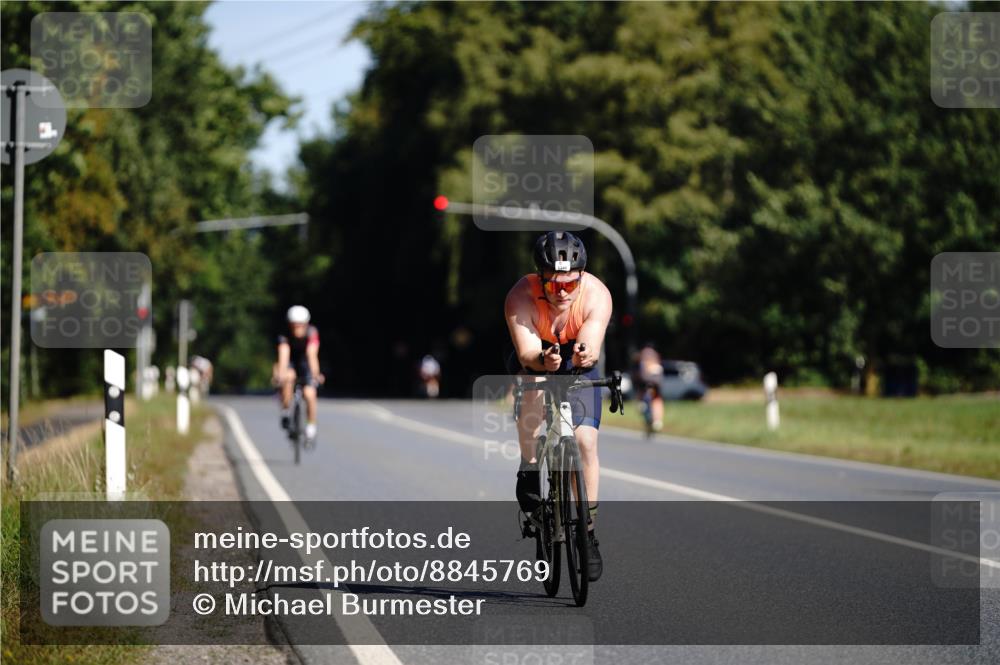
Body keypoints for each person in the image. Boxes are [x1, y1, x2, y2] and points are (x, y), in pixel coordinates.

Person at [504, 230, 612, 582]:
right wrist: (542, 360)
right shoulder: (520, 296)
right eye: (553, 286)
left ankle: (588, 531)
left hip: (578, 360)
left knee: (585, 442)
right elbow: (526, 353)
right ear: (539, 279)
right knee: (532, 389)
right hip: (537, 355)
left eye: (570, 285)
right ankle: (529, 466)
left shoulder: (596, 294)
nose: (562, 293)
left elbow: (592, 342)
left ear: (581, 277)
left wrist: (584, 353)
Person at [273, 306, 324, 443]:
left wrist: (316, 374)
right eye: (294, 326)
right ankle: (286, 411)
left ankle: (311, 426)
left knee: (310, 394)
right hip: (290, 361)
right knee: (288, 377)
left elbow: (312, 355)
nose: (297, 329)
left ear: (306, 324)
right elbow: (284, 355)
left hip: (305, 362)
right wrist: (281, 375)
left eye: (300, 325)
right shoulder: (284, 335)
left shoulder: (312, 333)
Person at [637, 342, 664, 432]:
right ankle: (654, 421)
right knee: (651, 402)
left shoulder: (646, 356)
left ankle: (656, 420)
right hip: (647, 385)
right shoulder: (650, 356)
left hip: (651, 385)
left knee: (655, 401)